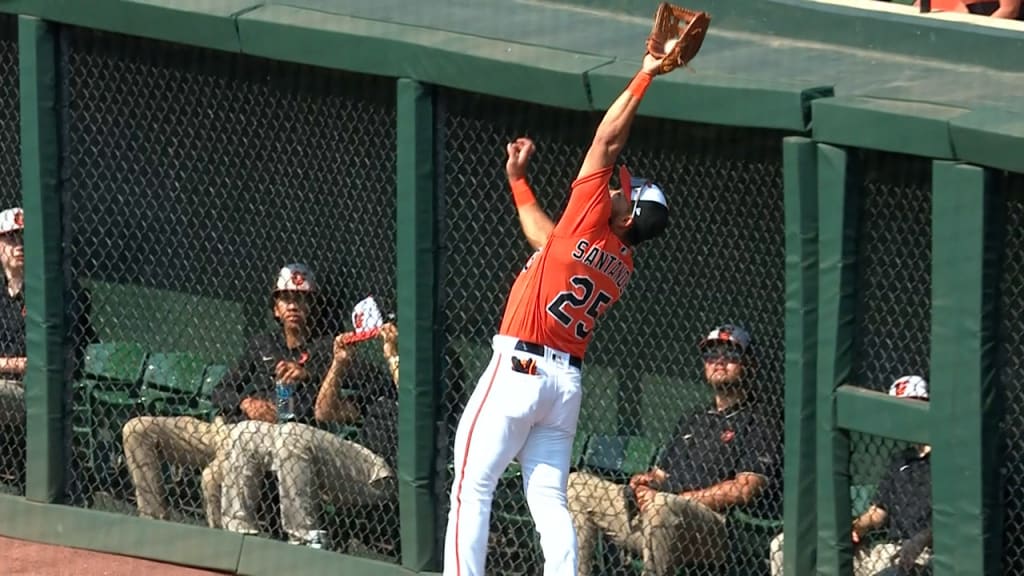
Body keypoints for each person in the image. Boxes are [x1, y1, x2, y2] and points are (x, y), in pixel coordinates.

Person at [443, 53, 673, 576]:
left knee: (470, 488)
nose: (616, 185)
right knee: (548, 499)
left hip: (518, 371)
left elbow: (607, 141)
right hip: (562, 386)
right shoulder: (621, 261)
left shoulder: (593, 222)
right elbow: (542, 236)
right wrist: (519, 182)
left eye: (624, 191)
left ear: (628, 213)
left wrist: (646, 73)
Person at [121, 263, 331, 527]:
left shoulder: (322, 353)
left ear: (313, 307)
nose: (292, 306)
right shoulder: (262, 343)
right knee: (137, 429)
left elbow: (308, 413)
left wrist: (288, 392)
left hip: (257, 442)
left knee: (213, 479)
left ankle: (222, 554)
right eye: (286, 299)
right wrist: (246, 402)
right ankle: (153, 526)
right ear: (276, 308)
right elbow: (220, 391)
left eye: (300, 299)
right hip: (223, 429)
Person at [568, 325, 781, 576]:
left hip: (711, 528)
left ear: (750, 364)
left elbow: (745, 489)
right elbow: (661, 475)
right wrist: (644, 483)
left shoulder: (761, 420)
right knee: (575, 485)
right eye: (712, 355)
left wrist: (676, 499)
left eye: (731, 354)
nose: (719, 361)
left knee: (663, 506)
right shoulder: (694, 418)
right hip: (657, 513)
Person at [219, 321, 399, 549]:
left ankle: (303, 541)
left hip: (384, 474)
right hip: (355, 465)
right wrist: (339, 364)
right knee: (245, 432)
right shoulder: (378, 385)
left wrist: (394, 355)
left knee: (291, 434)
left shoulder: (430, 377)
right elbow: (325, 412)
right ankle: (238, 534)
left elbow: (413, 399)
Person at [769, 375, 932, 576]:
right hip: (883, 550)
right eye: (901, 409)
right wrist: (854, 528)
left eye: (913, 406)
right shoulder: (900, 459)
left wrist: (921, 540)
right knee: (785, 543)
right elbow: (878, 513)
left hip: (923, 554)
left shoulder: (945, 459)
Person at [0, 208, 26, 482]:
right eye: (10, 237)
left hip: (26, 390)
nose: (18, 245)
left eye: (23, 237)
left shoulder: (49, 294)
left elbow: (32, 362)